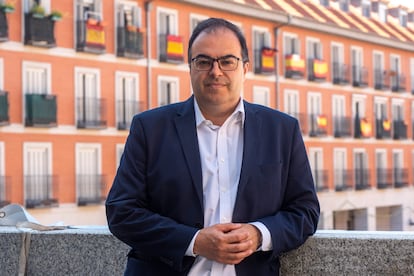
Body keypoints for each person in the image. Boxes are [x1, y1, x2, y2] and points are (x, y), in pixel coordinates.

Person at [106, 17, 320, 276]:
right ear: (190, 68)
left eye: (227, 61)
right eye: (203, 61)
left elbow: (305, 211)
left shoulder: (282, 130)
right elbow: (122, 211)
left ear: (245, 68)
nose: (215, 71)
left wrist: (259, 234)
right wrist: (194, 242)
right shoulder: (149, 128)